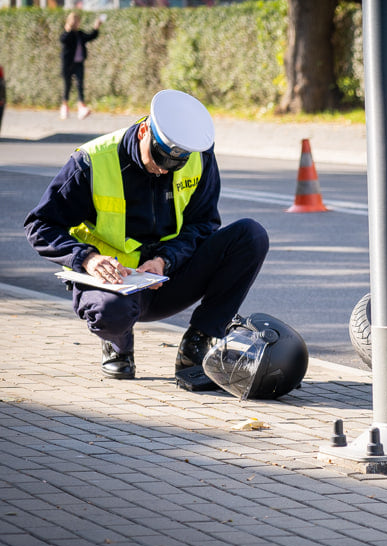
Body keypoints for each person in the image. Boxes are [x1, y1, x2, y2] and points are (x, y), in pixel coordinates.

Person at [24, 90, 270, 391]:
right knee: (109, 314)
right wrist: (87, 259)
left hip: (165, 275)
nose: (164, 169)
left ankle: (199, 341)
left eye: (174, 165)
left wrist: (166, 259)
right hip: (113, 285)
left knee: (251, 235)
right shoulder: (91, 162)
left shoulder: (199, 156)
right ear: (144, 130)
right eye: (159, 158)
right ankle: (117, 342)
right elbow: (40, 224)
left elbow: (204, 224)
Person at [60, 12, 101, 120]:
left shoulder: (80, 34)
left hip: (79, 63)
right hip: (68, 64)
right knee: (67, 85)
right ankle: (65, 106)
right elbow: (63, 40)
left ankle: (81, 107)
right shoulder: (67, 34)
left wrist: (96, 27)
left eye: (77, 21)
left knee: (80, 84)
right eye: (74, 21)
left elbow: (91, 36)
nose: (76, 23)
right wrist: (68, 30)